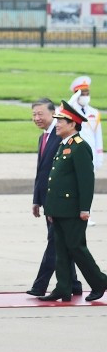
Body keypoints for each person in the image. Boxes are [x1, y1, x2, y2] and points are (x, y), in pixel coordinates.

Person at [39, 100, 107, 303]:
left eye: (61, 121)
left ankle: (100, 282)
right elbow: (57, 181)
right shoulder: (64, 145)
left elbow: (86, 181)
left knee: (76, 248)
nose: (57, 124)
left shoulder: (80, 147)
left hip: (73, 210)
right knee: (61, 250)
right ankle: (63, 288)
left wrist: (85, 208)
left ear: (72, 124)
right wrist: (51, 209)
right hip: (60, 209)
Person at [28, 99, 81, 298]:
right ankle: (74, 284)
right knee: (62, 242)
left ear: (53, 114)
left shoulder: (62, 137)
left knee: (55, 242)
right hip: (47, 199)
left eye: (40, 114)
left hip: (60, 202)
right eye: (34, 114)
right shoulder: (43, 137)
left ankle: (40, 285)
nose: (37, 118)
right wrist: (36, 199)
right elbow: (41, 171)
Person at [69, 76, 103, 174]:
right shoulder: (70, 110)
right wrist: (71, 102)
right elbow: (58, 114)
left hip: (90, 152)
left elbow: (98, 136)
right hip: (74, 152)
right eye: (82, 94)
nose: (85, 96)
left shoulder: (94, 113)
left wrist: (99, 156)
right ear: (76, 95)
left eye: (87, 93)